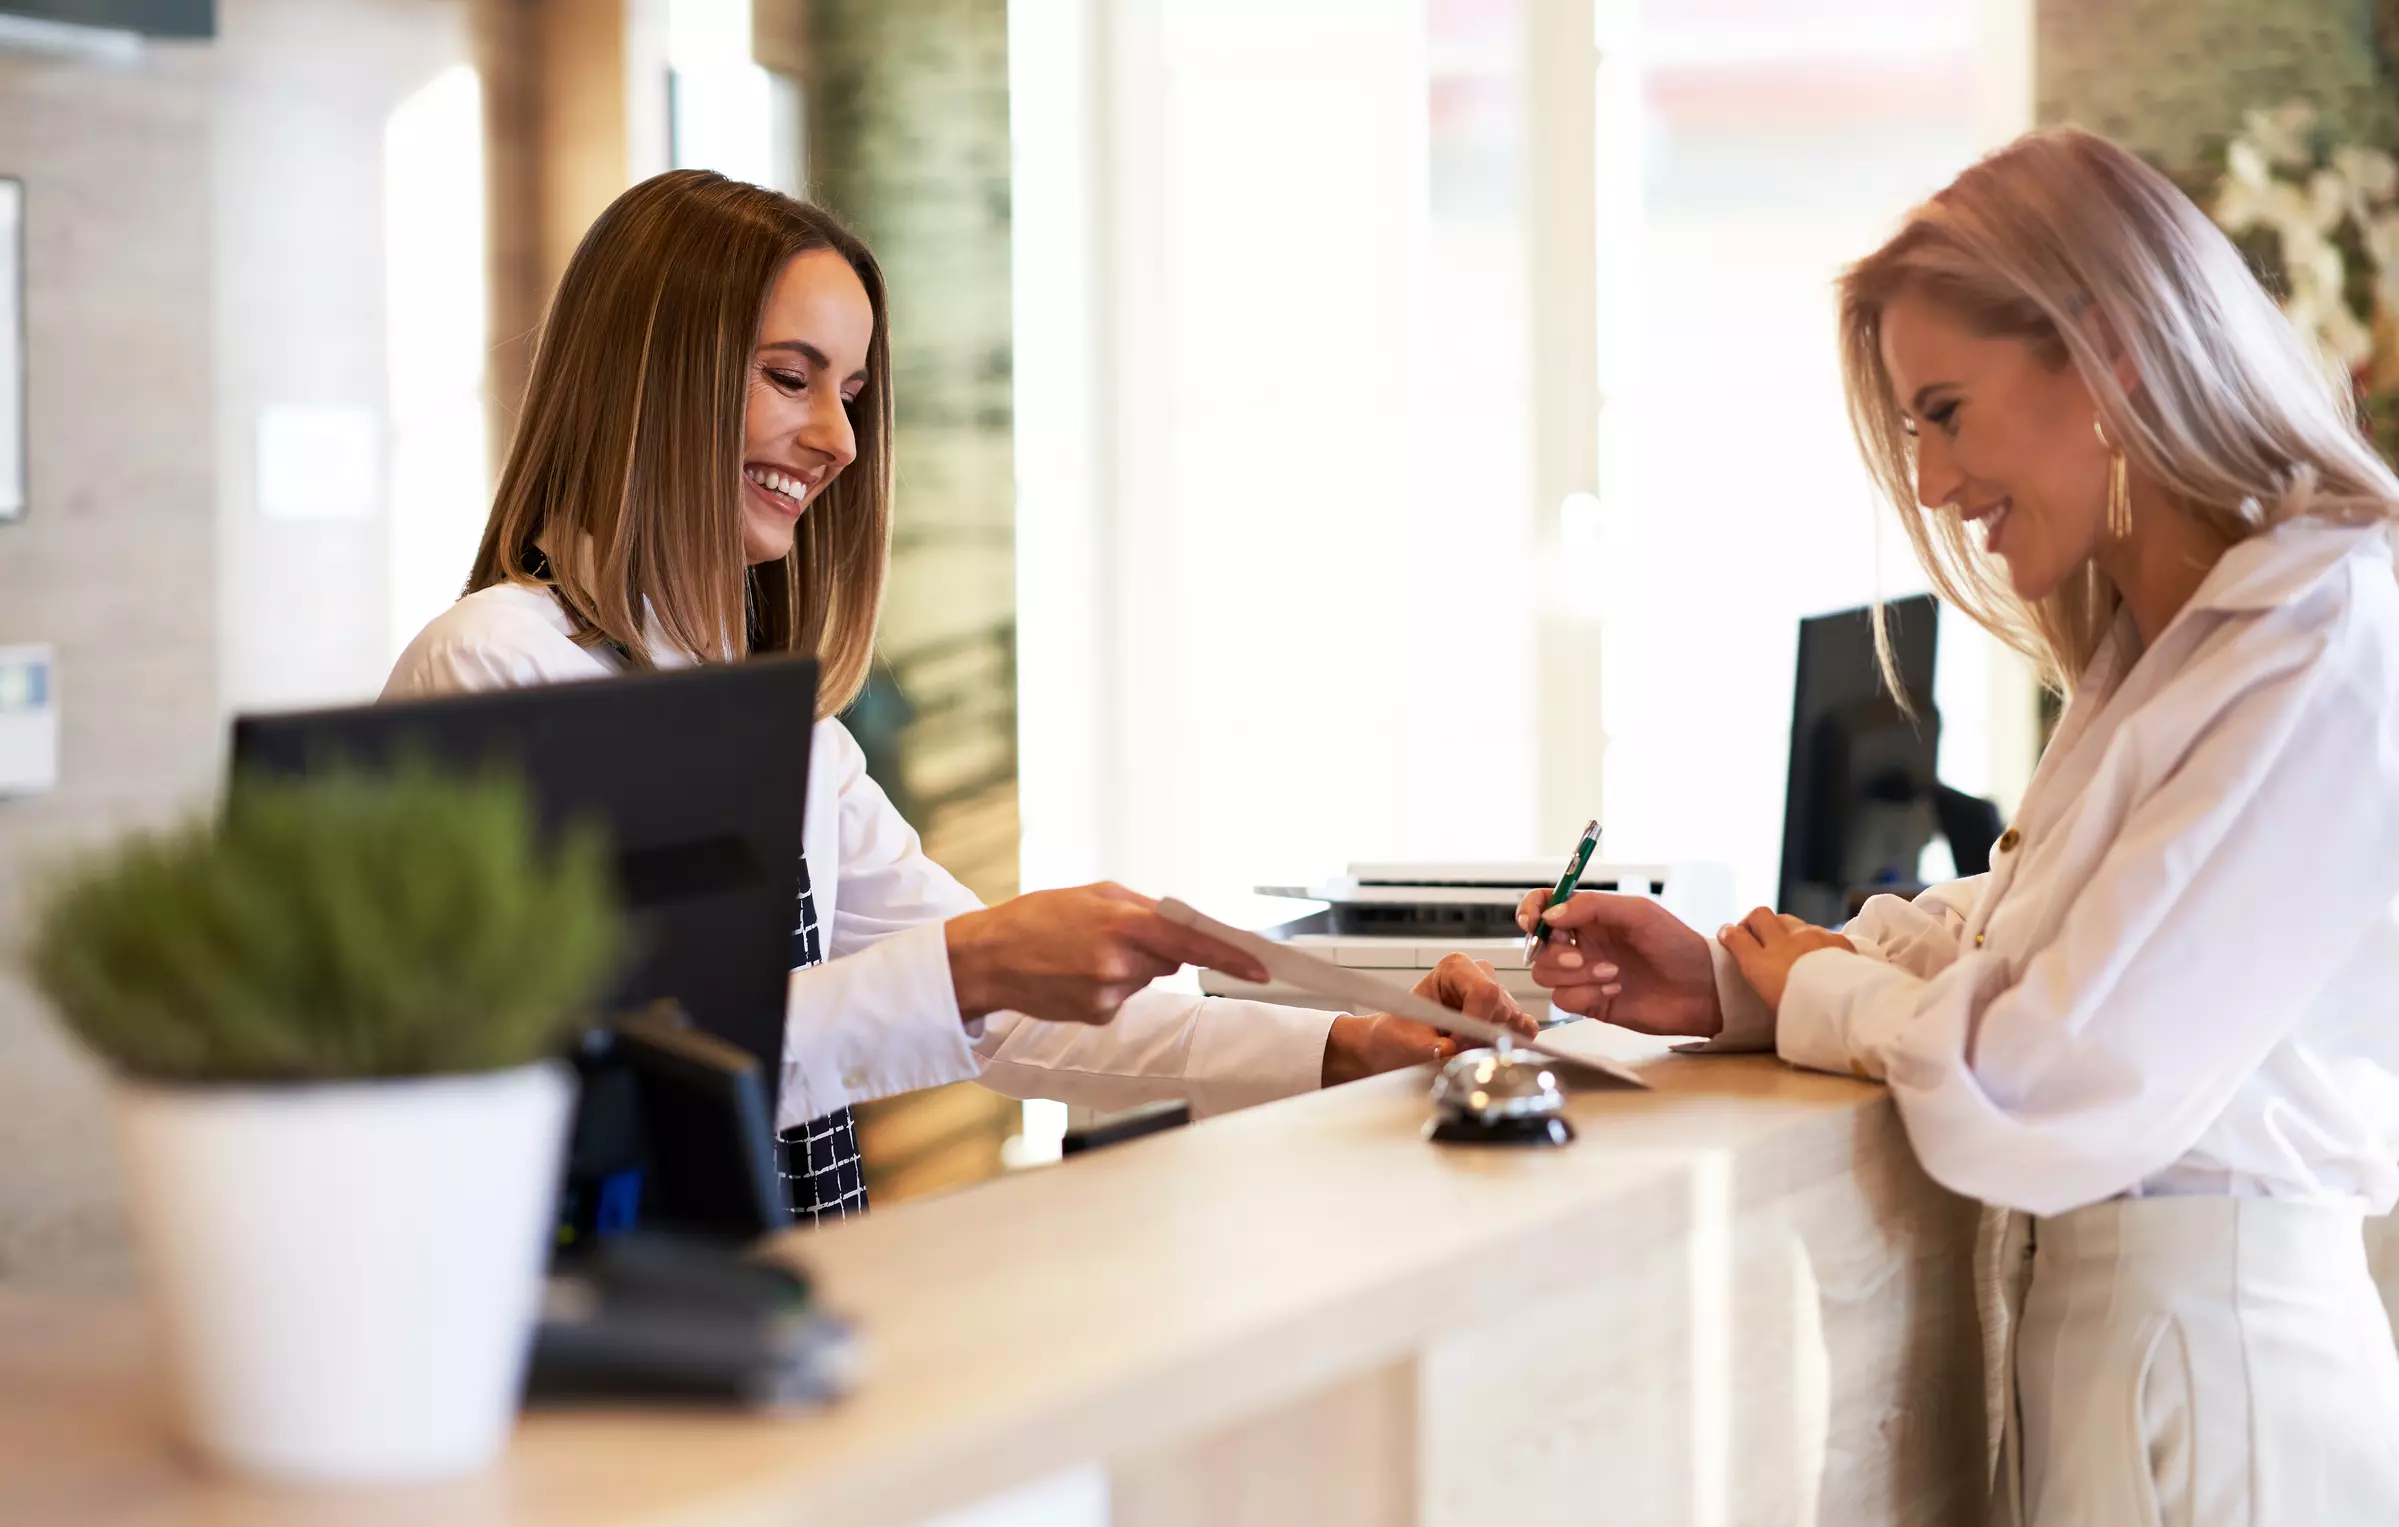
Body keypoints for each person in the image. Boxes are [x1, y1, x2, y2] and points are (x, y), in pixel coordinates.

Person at [1524, 128, 2399, 1524]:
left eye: (1945, 410)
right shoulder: (2161, 654)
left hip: (2219, 1399)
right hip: (2137, 1365)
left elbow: (2044, 1080)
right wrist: (1733, 980)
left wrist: (1821, 986)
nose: (1929, 483)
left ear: (2105, 352)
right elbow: (2009, 940)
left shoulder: (2308, 642)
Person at [386, 170, 1525, 1226]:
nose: (835, 438)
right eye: (790, 377)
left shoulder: (782, 731)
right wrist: (970, 965)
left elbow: (1001, 1020)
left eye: (852, 392)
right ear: (652, 378)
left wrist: (1351, 1044)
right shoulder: (495, 667)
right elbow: (587, 1081)